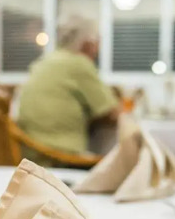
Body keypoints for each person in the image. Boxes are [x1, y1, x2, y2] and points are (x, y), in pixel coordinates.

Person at [17, 16, 119, 163]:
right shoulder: (79, 63)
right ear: (87, 43)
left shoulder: (45, 61)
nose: (98, 48)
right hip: (58, 156)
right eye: (98, 41)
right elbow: (112, 112)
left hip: (29, 150)